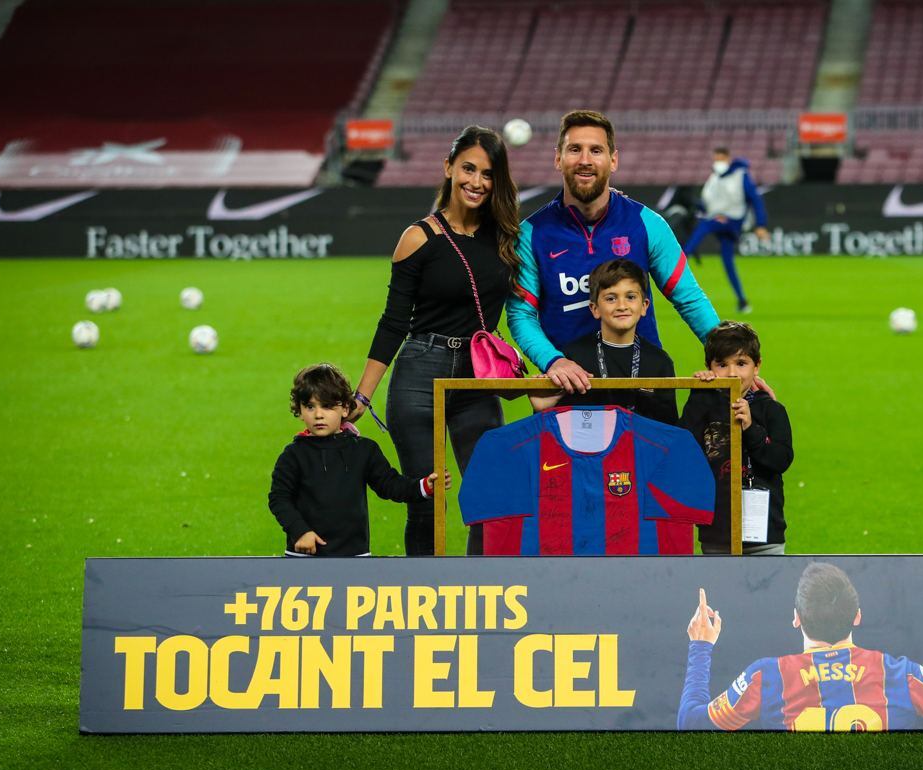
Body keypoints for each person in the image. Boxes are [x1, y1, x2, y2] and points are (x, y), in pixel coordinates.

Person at [351, 126, 520, 556]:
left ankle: (479, 593)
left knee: (492, 495)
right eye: (468, 169)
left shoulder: (505, 238)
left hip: (477, 380)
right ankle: (427, 598)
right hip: (419, 374)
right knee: (428, 500)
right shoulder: (418, 238)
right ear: (448, 168)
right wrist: (364, 396)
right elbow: (392, 323)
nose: (476, 182)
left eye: (488, 174)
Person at [506, 109, 721, 395]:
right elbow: (521, 314)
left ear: (613, 160)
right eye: (574, 150)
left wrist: (728, 356)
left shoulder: (647, 224)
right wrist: (554, 362)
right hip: (571, 392)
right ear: (558, 158)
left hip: (642, 388)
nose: (585, 160)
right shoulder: (531, 234)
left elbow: (689, 298)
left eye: (596, 150)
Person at [678, 564, 923, 731]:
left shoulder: (766, 677)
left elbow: (690, 724)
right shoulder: (897, 674)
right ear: (858, 617)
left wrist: (700, 646)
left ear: (796, 619)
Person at [268, 364, 446, 557]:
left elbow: (390, 485)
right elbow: (279, 499)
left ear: (345, 408)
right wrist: (300, 531)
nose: (318, 414)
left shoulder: (364, 450)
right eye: (310, 406)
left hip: (355, 558)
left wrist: (424, 487)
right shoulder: (293, 455)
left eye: (327, 406)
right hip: (303, 557)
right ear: (300, 411)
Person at [680, 321, 791, 554]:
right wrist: (700, 394)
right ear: (709, 367)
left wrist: (750, 428)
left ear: (757, 366)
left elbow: (780, 460)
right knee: (719, 591)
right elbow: (685, 451)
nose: (732, 373)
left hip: (766, 537)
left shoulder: (771, 410)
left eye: (741, 363)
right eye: (722, 365)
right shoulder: (705, 404)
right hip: (716, 535)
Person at [531, 258, 678, 425]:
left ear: (644, 306)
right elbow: (554, 430)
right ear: (595, 309)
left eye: (630, 297)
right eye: (610, 299)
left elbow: (670, 432)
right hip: (586, 450)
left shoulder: (660, 362)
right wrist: (541, 409)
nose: (622, 305)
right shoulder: (573, 360)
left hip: (641, 450)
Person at [683, 146, 770, 313]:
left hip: (732, 221)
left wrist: (760, 225)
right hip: (719, 220)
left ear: (728, 159)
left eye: (721, 159)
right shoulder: (715, 177)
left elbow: (755, 200)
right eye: (716, 159)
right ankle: (742, 301)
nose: (718, 162)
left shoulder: (741, 175)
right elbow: (710, 203)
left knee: (704, 227)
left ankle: (680, 258)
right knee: (728, 262)